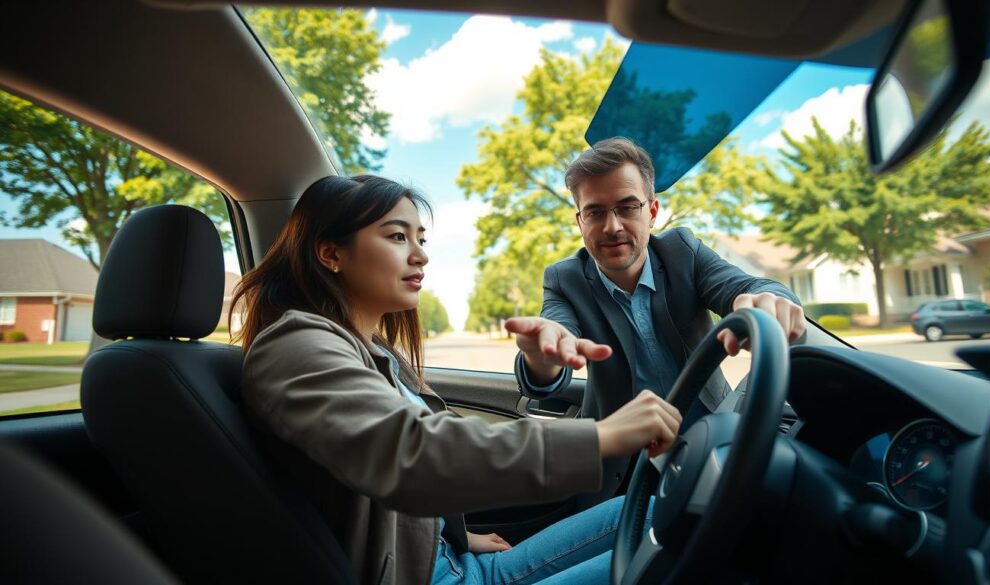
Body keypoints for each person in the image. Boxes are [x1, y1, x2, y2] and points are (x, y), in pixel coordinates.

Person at [233, 175, 680, 585]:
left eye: (420, 238)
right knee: (680, 555)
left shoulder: (374, 350)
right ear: (331, 253)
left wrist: (453, 536)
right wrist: (602, 435)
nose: (420, 254)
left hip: (454, 564)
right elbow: (412, 452)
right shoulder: (295, 347)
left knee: (650, 510)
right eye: (396, 236)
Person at [509, 137, 805, 507]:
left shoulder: (684, 252)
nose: (612, 226)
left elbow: (750, 286)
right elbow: (553, 348)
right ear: (579, 220)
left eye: (627, 207)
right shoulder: (563, 278)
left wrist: (772, 300)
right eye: (595, 212)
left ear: (652, 211)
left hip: (711, 439)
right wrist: (544, 358)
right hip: (621, 469)